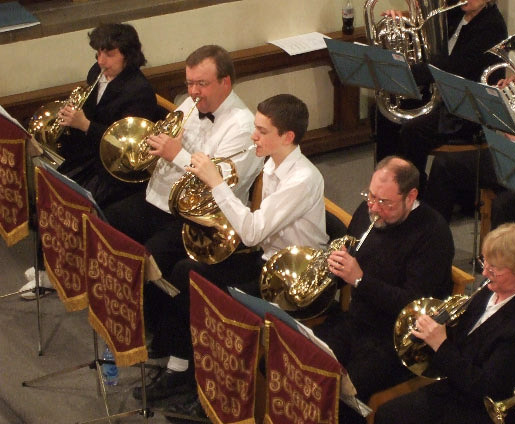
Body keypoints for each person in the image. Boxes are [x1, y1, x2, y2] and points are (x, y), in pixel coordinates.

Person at [131, 94, 329, 417]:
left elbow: (252, 232)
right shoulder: (272, 163)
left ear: (288, 137)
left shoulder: (302, 179)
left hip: (291, 278)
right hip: (267, 259)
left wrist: (216, 182)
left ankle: (217, 396)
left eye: (262, 131)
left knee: (219, 301)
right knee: (185, 272)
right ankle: (182, 368)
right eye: (255, 128)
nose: (254, 136)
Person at [425, 15, 515, 320]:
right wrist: (509, 100)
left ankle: (504, 287)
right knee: (446, 166)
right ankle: (431, 253)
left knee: (505, 204)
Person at [19, 23, 159, 298]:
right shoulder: (97, 72)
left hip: (117, 171)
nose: (101, 61)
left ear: (128, 54)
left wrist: (84, 124)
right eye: (98, 53)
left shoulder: (139, 91)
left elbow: (126, 148)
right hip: (90, 156)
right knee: (50, 189)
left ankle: (59, 274)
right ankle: (49, 268)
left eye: (109, 54)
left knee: (70, 202)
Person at [103, 44, 263, 281]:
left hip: (196, 221)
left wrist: (176, 154)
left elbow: (220, 184)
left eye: (202, 83)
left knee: (147, 260)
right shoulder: (191, 103)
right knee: (107, 222)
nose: (193, 91)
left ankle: (146, 302)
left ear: (225, 82)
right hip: (157, 199)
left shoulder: (242, 127)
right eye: (189, 83)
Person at [313, 156, 454, 423]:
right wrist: (334, 270)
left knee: (345, 394)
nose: (374, 208)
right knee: (306, 360)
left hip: (397, 340)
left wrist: (360, 280)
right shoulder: (367, 212)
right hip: (357, 321)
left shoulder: (433, 234)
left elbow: (413, 305)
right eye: (371, 196)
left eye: (385, 202)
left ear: (410, 197)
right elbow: (351, 261)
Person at [374, 223, 515, 424]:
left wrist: (440, 344)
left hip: (492, 410)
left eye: (494, 268)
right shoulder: (493, 288)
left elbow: (486, 387)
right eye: (484, 262)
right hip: (461, 385)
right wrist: (438, 324)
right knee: (388, 413)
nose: (484, 273)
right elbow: (469, 336)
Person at [375, 0, 507, 193]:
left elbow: (453, 67)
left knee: (413, 130)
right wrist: (401, 22)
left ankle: (412, 192)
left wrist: (408, 72)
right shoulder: (456, 12)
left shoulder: (492, 26)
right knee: (387, 111)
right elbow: (427, 42)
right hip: (440, 94)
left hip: (466, 109)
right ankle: (383, 183)